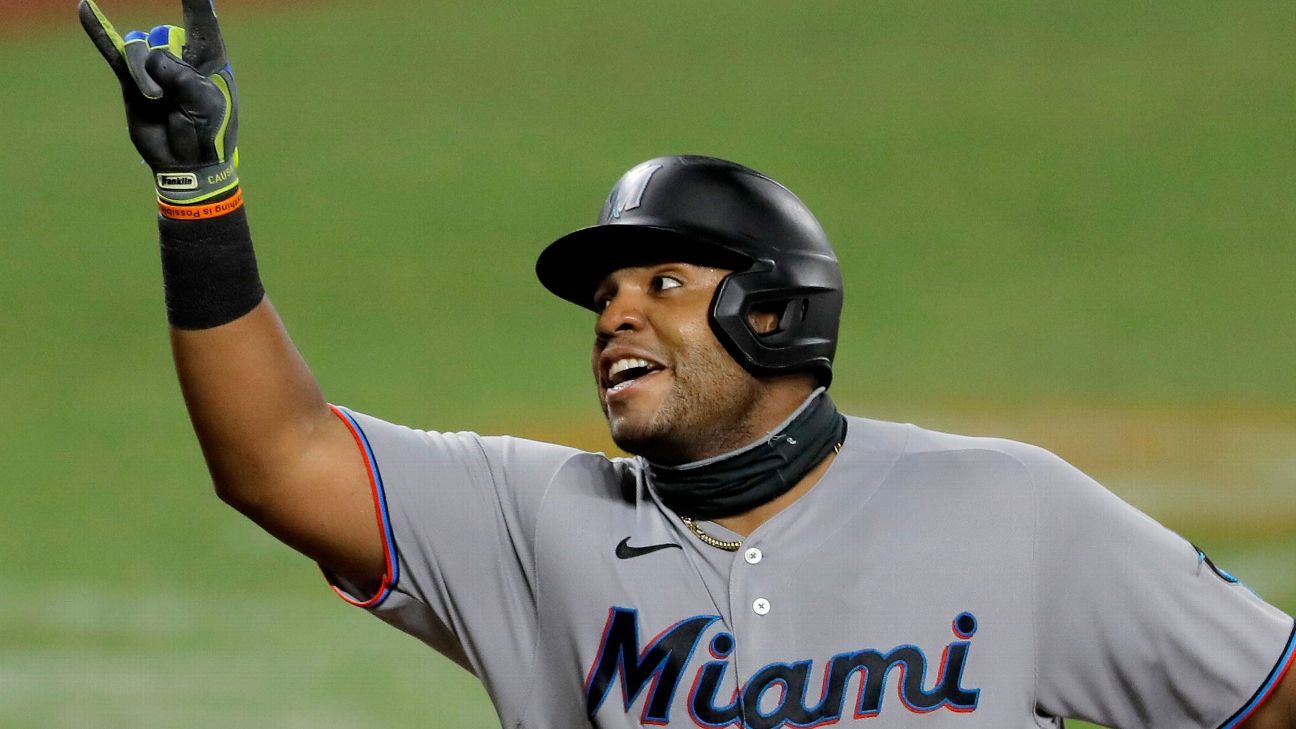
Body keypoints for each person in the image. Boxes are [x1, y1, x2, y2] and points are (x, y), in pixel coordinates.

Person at [79, 1, 1296, 727]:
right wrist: (201, 195)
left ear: (777, 313)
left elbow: (1266, 692)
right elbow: (275, 457)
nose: (616, 318)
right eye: (604, 298)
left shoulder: (1011, 512)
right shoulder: (527, 518)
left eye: (663, 285)